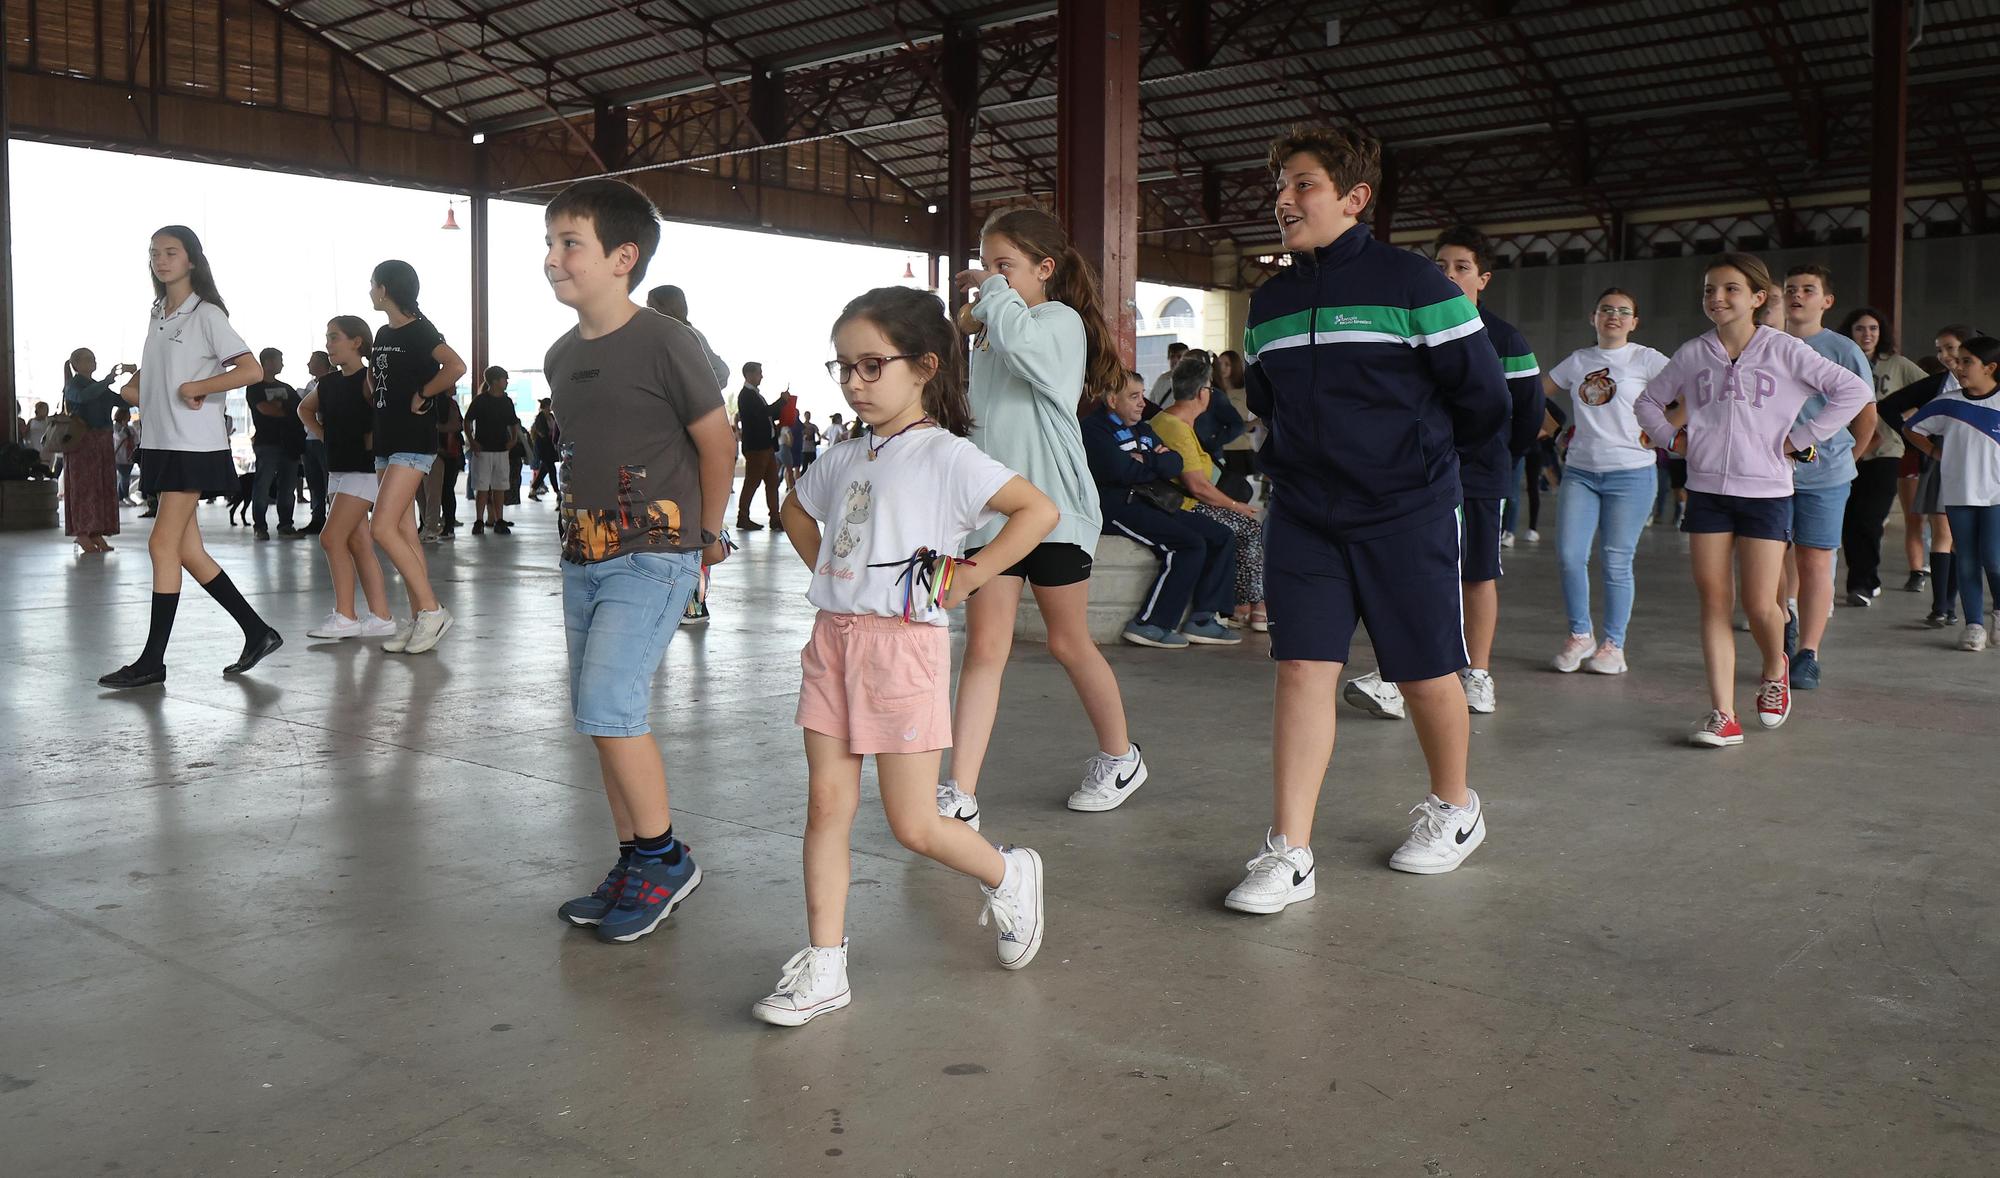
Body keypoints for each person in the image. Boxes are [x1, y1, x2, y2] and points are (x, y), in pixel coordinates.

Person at [752, 285, 1058, 1026]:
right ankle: (826, 966)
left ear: (924, 367)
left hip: (903, 651)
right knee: (827, 805)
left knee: (913, 825)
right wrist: (831, 571)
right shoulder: (844, 452)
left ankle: (1008, 872)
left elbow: (1037, 511)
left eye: (870, 366)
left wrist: (973, 576)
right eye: (843, 368)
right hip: (832, 640)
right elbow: (795, 507)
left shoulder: (949, 458)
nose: (854, 383)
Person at [1225, 125, 1509, 914]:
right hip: (1306, 514)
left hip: (1405, 510)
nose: (1284, 200)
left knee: (1423, 674)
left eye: (1304, 184)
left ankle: (1456, 807)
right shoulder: (1270, 298)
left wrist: (1418, 468)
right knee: (1301, 670)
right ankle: (1289, 851)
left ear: (1354, 198)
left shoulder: (1416, 284)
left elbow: (1483, 397)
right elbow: (1271, 405)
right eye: (1280, 185)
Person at [541, 179, 735, 944]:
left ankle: (665, 860)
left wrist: (707, 532)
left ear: (624, 258)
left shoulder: (664, 339)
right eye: (550, 244)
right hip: (581, 555)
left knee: (612, 705)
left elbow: (716, 443)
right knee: (601, 717)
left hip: (654, 552)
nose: (553, 259)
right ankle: (633, 858)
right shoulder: (560, 354)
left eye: (569, 243)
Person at [941, 206, 1148, 825]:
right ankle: (961, 791)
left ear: (1045, 269)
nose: (990, 275)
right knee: (985, 648)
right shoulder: (989, 342)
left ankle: (1121, 756)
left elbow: (1024, 348)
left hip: (1054, 512)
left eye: (1005, 264)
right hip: (992, 518)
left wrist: (990, 295)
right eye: (986, 263)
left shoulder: (1057, 324)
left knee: (1067, 641)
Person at [1633, 253, 1870, 748]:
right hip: (1706, 494)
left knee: (1763, 605)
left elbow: (1851, 391)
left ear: (1758, 298)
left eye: (1730, 289)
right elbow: (1648, 401)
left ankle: (1774, 666)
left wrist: (1801, 437)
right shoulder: (1693, 353)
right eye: (1708, 290)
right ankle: (1723, 713)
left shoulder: (1785, 351)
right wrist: (1671, 441)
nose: (1716, 298)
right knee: (1714, 602)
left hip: (1766, 494)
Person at [1345, 224, 1541, 718]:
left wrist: (1492, 457)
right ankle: (1404, 675)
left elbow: (1527, 413)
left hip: (1477, 477)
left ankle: (1476, 675)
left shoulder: (1505, 339)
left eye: (1462, 267)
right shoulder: (1411, 328)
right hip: (1421, 476)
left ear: (1484, 278)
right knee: (1421, 572)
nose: (1450, 276)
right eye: (1441, 266)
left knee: (1475, 574)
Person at [99, 225, 282, 689]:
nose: (161, 261)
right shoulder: (159, 313)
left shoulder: (207, 314)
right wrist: (137, 388)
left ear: (191, 260)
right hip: (161, 441)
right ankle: (258, 632)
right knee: (187, 550)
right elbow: (157, 371)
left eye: (171, 253)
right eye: (155, 253)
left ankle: (153, 661)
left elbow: (250, 368)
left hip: (191, 444)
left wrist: (200, 386)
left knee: (162, 545)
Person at [1543, 288, 1672, 674]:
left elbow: (1689, 392)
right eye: (1606, 310)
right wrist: (1545, 425)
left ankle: (1614, 646)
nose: (1613, 316)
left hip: (1631, 473)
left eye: (1623, 311)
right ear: (1593, 318)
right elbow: (1535, 391)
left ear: (1634, 322)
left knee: (1616, 560)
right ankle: (1581, 636)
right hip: (1581, 472)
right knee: (1569, 555)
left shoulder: (1646, 359)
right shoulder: (1579, 360)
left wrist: (1663, 430)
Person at [1082, 367, 1239, 649]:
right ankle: (1151, 624)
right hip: (1116, 507)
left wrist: (1143, 461)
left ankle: (1203, 619)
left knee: (1221, 535)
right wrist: (1149, 463)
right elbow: (1119, 471)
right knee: (1188, 544)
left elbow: (1174, 463)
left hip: (1149, 500)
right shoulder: (1094, 430)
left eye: (1142, 395)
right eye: (1133, 396)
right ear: (1112, 400)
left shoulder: (1143, 427)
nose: (1143, 402)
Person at [1776, 265, 1877, 690]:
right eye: (1791, 289)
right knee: (1773, 562)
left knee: (1815, 561)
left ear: (1826, 301)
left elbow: (1865, 415)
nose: (1798, 295)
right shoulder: (1766, 344)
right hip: (1769, 473)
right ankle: (1783, 629)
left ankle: (1808, 654)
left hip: (1825, 474)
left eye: (1808, 290)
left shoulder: (1841, 349)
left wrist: (1845, 458)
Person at [368, 258, 465, 654]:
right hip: (386, 439)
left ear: (385, 289)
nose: (370, 291)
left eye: (372, 284)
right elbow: (379, 379)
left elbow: (455, 366)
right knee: (404, 533)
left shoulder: (421, 330)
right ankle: (418, 619)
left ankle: (432, 609)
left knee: (382, 528)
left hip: (412, 440)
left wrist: (424, 393)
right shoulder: (380, 332)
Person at [1149, 358, 1266, 631]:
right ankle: (1254, 605)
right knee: (1248, 526)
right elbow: (1198, 487)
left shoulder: (1172, 421)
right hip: (1186, 506)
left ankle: (1244, 606)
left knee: (1243, 525)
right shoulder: (1175, 426)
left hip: (1188, 501)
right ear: (1203, 393)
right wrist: (1235, 505)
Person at [299, 317, 396, 640]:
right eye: (327, 338)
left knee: (330, 538)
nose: (329, 344)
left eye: (334, 337)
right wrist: (325, 435)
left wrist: (372, 443)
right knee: (357, 541)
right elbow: (304, 410)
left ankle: (346, 615)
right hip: (338, 468)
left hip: (364, 470)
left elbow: (384, 416)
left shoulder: (371, 380)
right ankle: (381, 617)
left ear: (356, 342)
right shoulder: (327, 384)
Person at [1906, 336, 2000, 649]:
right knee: (1967, 560)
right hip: (1959, 495)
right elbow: (1912, 429)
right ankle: (1974, 625)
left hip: (1997, 497)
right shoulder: (1947, 403)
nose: (1957, 367)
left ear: (1990, 368)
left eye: (1966, 361)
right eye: (1957, 361)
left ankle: (1998, 611)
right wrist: (1934, 453)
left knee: (1995, 560)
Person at [1882, 325, 1975, 623]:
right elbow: (1888, 406)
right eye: (1940, 349)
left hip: (1980, 464)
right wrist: (1924, 447)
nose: (1944, 355)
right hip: (1942, 461)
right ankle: (1941, 606)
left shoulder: (1989, 384)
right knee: (1943, 533)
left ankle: (1954, 602)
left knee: (1966, 537)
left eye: (1950, 348)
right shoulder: (1935, 384)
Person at [1839, 307, 1926, 603]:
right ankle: (1859, 579)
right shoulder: (1842, 361)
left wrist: (1906, 421)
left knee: (1871, 518)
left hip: (1886, 453)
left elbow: (1933, 391)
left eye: (1873, 328)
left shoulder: (1898, 365)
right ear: (1850, 332)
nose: (1867, 334)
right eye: (1860, 328)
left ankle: (1862, 583)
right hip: (1847, 452)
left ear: (1881, 333)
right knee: (1849, 520)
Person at [61, 348, 129, 553]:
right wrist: (107, 381)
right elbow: (83, 398)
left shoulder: (98, 386)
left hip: (102, 440)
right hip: (83, 441)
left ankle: (96, 531)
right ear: (76, 364)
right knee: (85, 488)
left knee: (101, 487)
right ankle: (82, 532)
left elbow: (123, 401)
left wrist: (135, 380)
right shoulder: (74, 385)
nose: (93, 362)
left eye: (94, 359)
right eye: (88, 359)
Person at [244, 348, 303, 541]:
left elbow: (299, 409)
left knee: (288, 487)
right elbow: (265, 409)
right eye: (279, 360)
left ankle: (286, 525)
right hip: (267, 442)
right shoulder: (254, 387)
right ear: (268, 362)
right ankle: (259, 526)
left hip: (290, 443)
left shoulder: (286, 387)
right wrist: (285, 410)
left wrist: (281, 409)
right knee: (263, 485)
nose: (282, 364)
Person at [465, 366, 522, 535]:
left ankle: (498, 520)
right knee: (482, 486)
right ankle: (479, 520)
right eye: (504, 379)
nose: (506, 382)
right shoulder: (481, 400)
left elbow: (513, 422)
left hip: (501, 450)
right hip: (483, 450)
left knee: (500, 486)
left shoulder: (507, 401)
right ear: (495, 381)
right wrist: (473, 441)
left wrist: (512, 440)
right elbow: (467, 421)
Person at [645, 284, 730, 390]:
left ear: (663, 307)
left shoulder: (681, 334)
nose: (647, 310)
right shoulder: (674, 334)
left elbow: (721, 372)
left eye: (650, 305)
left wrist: (686, 395)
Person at [733, 362, 782, 529]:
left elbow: (768, 414)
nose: (761, 376)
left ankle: (775, 518)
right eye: (759, 373)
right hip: (757, 447)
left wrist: (781, 405)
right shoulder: (746, 395)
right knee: (752, 482)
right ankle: (743, 516)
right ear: (749, 374)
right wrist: (781, 402)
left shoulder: (753, 395)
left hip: (765, 446)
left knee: (772, 482)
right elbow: (762, 414)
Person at [1212, 349, 1258, 502]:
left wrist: (1244, 426)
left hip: (1239, 448)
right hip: (1217, 448)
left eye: (1227, 364)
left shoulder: (1245, 393)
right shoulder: (1212, 392)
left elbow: (1253, 420)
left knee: (1237, 492)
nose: (1223, 368)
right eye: (1220, 364)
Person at [297, 351, 332, 535]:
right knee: (314, 481)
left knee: (330, 480)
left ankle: (334, 517)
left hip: (324, 439)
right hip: (309, 439)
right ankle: (317, 517)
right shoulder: (310, 385)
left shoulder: (332, 383)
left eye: (312, 361)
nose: (308, 364)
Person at [529, 398, 560, 499]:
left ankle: (533, 490)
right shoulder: (540, 418)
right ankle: (557, 492)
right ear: (546, 406)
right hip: (543, 447)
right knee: (551, 468)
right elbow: (542, 433)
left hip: (550, 447)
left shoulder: (551, 416)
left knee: (545, 469)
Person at [1147, 341, 1189, 408]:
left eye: (1179, 356)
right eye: (1172, 356)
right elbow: (1152, 402)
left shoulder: (1193, 381)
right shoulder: (1162, 379)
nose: (1175, 360)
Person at [112, 404, 139, 504]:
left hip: (129, 456)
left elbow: (136, 439)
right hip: (120, 456)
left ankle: (120, 497)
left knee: (124, 476)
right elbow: (118, 438)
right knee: (125, 476)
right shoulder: (115, 427)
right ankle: (125, 496)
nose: (130, 416)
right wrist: (124, 430)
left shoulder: (130, 428)